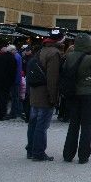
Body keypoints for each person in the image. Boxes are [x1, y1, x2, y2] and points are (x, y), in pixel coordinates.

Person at [62, 33, 91, 164]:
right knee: (86, 125)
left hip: (73, 93)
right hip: (88, 94)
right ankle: (83, 155)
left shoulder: (68, 57)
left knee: (73, 124)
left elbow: (64, 71)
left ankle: (68, 154)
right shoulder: (90, 58)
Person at [26, 31, 63, 161]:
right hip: (45, 94)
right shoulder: (55, 53)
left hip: (35, 92)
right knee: (42, 125)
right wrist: (53, 98)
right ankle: (38, 152)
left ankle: (30, 150)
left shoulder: (41, 50)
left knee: (33, 123)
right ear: (60, 39)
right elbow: (52, 79)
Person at [6, 45, 23, 120]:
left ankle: (14, 113)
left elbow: (14, 70)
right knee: (16, 96)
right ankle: (18, 111)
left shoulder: (15, 57)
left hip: (15, 80)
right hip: (17, 79)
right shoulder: (18, 56)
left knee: (14, 97)